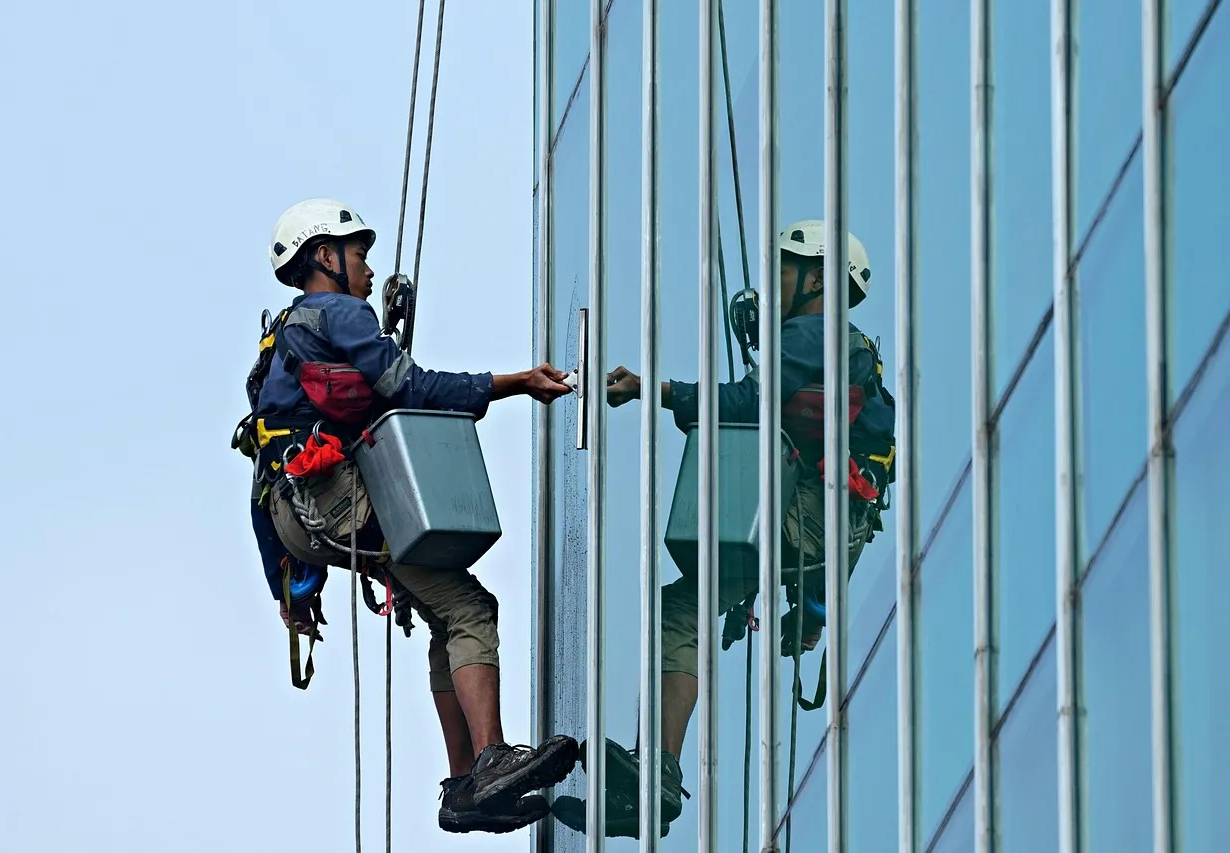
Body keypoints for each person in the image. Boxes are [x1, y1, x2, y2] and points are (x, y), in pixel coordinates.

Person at [243, 198, 579, 835]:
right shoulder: (339, 312)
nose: (368, 270)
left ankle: (466, 787)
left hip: (302, 511)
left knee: (444, 614)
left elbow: (269, 464)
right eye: (359, 255)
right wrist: (516, 383)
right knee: (470, 611)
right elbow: (413, 388)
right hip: (338, 500)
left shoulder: (285, 337)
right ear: (325, 257)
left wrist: (283, 584)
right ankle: (489, 761)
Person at [575, 220, 897, 837]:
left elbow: (750, 402)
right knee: (683, 609)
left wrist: (654, 390)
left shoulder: (814, 332)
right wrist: (814, 609)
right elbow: (857, 510)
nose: (771, 280)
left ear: (818, 279)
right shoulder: (847, 349)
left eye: (785, 265)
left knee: (682, 611)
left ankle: (659, 771)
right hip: (816, 529)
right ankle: (655, 777)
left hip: (800, 517)